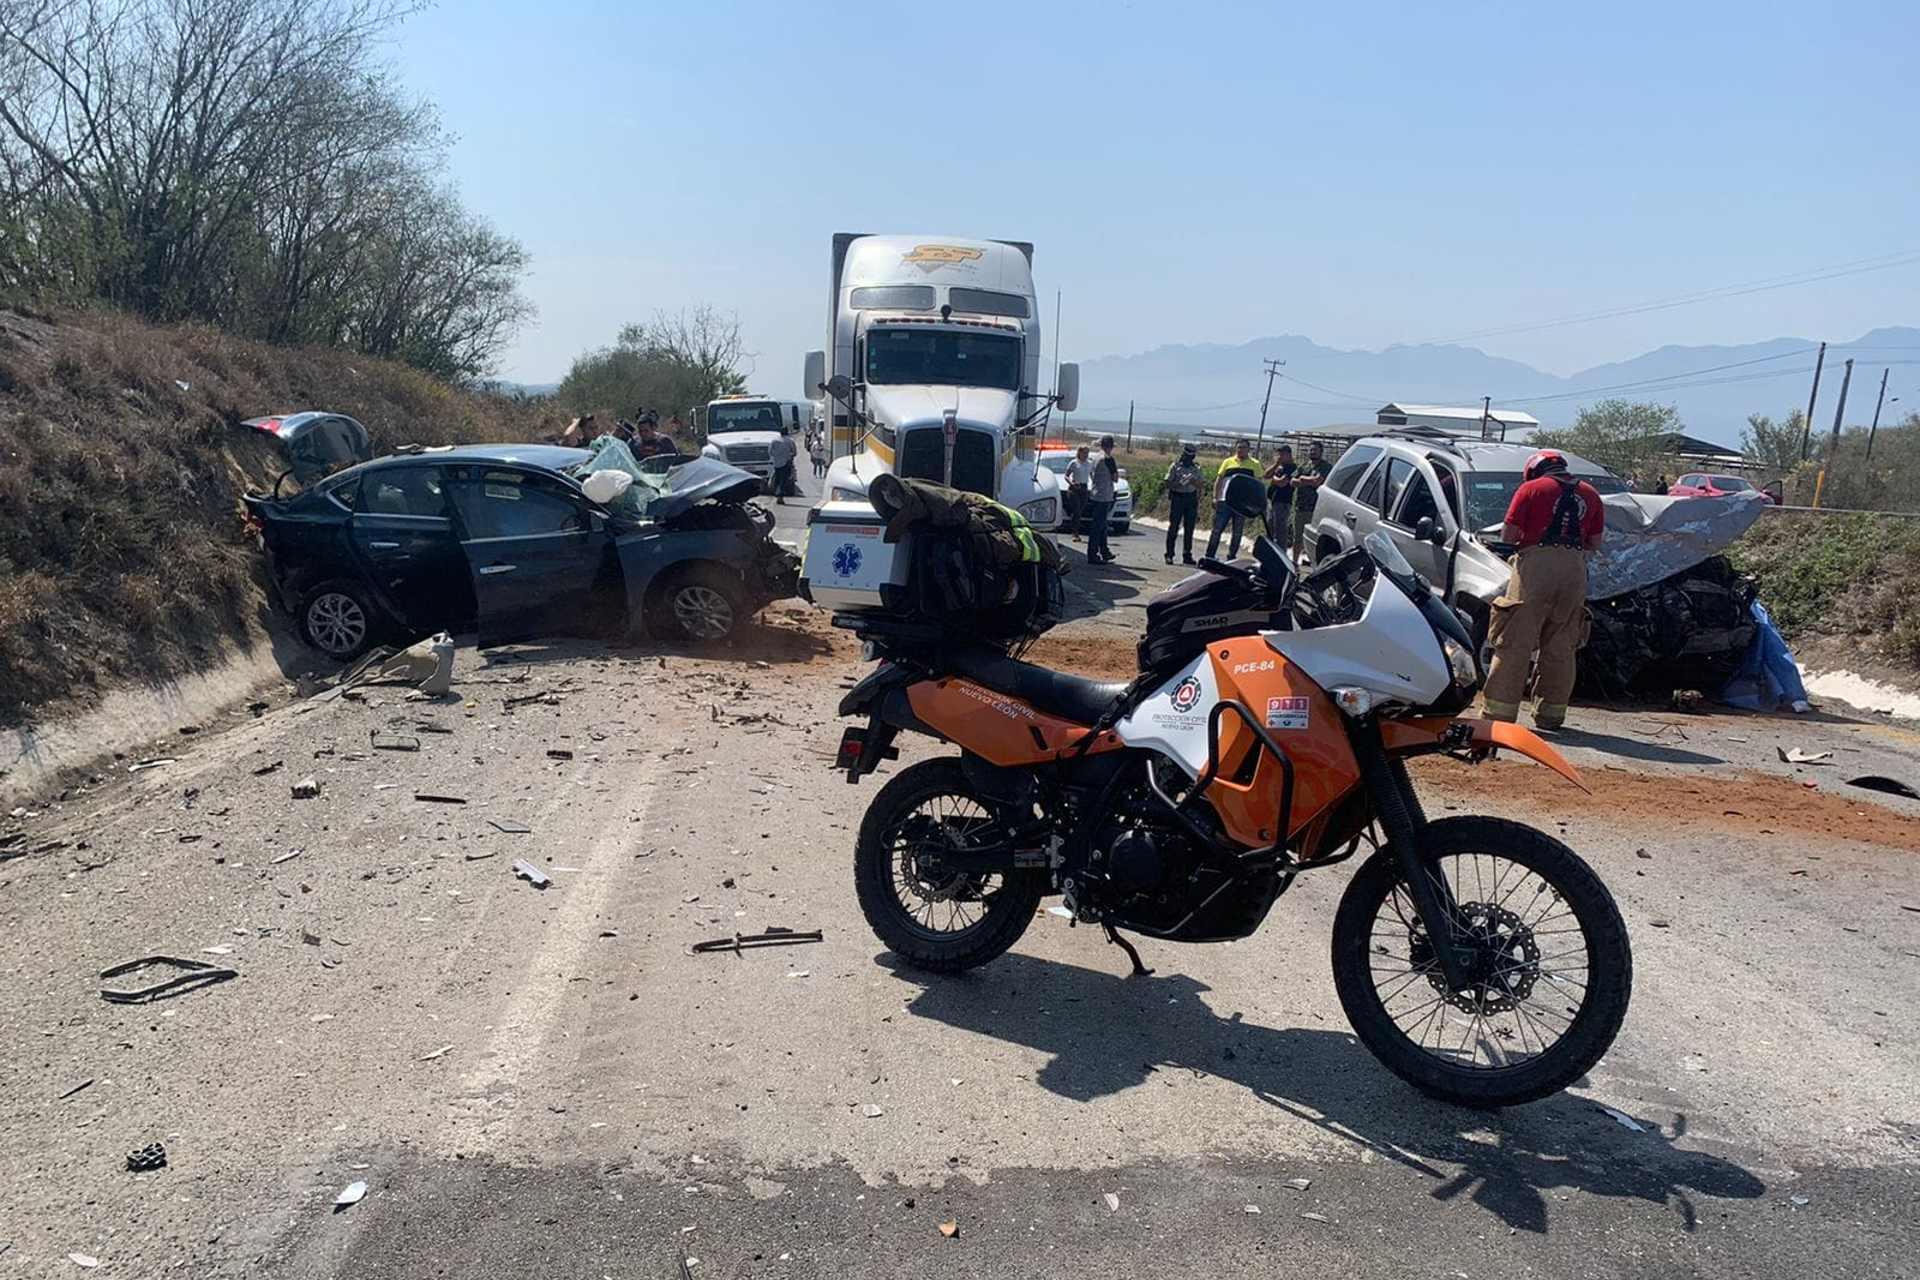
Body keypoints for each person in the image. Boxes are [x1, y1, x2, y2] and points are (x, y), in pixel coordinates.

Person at [1482, 449, 1606, 731]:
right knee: (1562, 645)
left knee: (1514, 640)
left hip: (1535, 567)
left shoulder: (1530, 489)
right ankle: (1550, 715)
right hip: (1574, 570)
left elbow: (1509, 535)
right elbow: (1595, 543)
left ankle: (1498, 715)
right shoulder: (1591, 494)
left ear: (1534, 471)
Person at [1205, 439, 1261, 560]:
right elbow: (1219, 480)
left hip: (1242, 504)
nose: (1241, 450)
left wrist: (1254, 502)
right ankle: (1209, 555)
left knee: (1237, 533)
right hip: (1225, 501)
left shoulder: (1255, 464)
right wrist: (1215, 497)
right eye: (1239, 447)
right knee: (1217, 530)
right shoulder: (1228, 462)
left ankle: (1231, 557)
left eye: (1243, 447)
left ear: (1248, 449)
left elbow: (1258, 484)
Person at [1163, 444, 1203, 565]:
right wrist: (1178, 483)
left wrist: (1192, 481)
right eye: (1186, 455)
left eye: (1191, 456)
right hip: (1178, 498)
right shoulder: (1175, 466)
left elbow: (1201, 485)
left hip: (1191, 499)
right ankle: (1169, 554)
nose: (1188, 458)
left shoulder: (1196, 468)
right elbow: (1167, 482)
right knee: (1174, 527)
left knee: (1189, 528)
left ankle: (1187, 555)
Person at [1289, 440, 1330, 559]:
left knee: (1314, 538)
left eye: (1315, 450)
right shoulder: (1304, 465)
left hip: (1316, 509)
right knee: (1298, 537)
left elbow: (1317, 481)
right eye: (1311, 450)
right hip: (1300, 507)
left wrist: (1302, 479)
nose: (1312, 452)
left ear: (1321, 452)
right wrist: (1306, 480)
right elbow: (1292, 481)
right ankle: (1295, 561)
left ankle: (1312, 561)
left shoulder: (1325, 467)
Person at [1085, 436, 1120, 564]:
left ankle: (1104, 551)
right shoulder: (1108, 459)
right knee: (1098, 526)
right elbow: (1115, 478)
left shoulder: (1094, 458)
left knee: (1102, 525)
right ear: (1110, 446)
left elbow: (1090, 474)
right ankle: (1092, 554)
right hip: (1105, 495)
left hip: (1096, 493)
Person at [1263, 445, 1298, 544]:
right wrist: (1276, 464)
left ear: (1289, 455)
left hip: (1283, 502)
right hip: (1273, 500)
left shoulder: (1293, 468)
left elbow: (1282, 482)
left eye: (1282, 454)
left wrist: (1273, 478)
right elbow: (1266, 475)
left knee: (1280, 530)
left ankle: (1281, 550)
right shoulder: (1279, 466)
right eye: (1279, 454)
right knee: (1270, 528)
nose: (1280, 456)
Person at [1062, 445, 1093, 540]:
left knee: (1080, 511)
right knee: (1077, 510)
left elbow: (1092, 476)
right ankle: (1075, 533)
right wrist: (1072, 483)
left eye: (1087, 453)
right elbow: (1066, 476)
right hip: (1074, 488)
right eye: (1084, 452)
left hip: (1084, 488)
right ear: (1079, 452)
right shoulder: (1074, 463)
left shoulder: (1089, 464)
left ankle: (1074, 528)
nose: (1086, 455)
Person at [767, 429, 797, 505]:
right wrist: (788, 455)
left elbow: (770, 452)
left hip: (776, 463)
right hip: (786, 463)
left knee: (777, 479)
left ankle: (776, 493)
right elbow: (794, 452)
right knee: (784, 480)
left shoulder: (774, 441)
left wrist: (777, 456)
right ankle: (780, 496)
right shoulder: (790, 441)